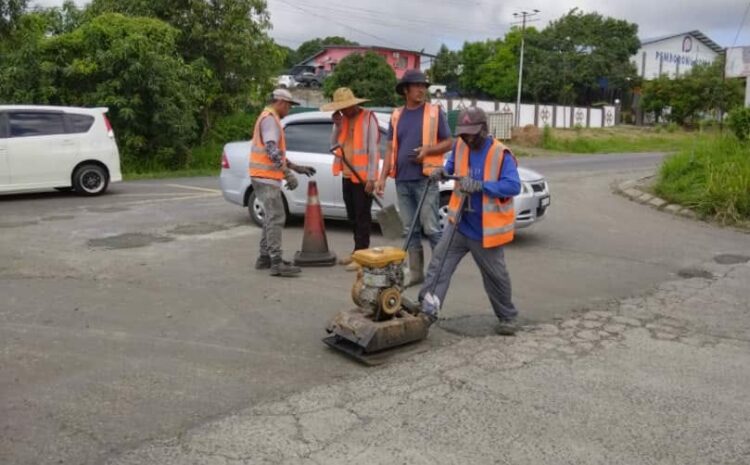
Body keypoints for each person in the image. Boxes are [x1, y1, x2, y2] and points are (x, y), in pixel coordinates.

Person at [418, 107, 522, 335]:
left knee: (495, 276)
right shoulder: (460, 146)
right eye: (463, 133)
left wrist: (483, 185)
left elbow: (514, 185)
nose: (467, 138)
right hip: (459, 223)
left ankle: (507, 316)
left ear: (484, 129)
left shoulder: (500, 153)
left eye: (471, 133)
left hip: (485, 230)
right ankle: (426, 311)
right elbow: (451, 167)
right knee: (439, 265)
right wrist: (442, 171)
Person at [375, 70, 453, 286]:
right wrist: (382, 178)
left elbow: (449, 142)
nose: (421, 90)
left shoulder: (434, 113)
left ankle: (439, 272)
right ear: (406, 90)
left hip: (426, 179)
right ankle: (417, 273)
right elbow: (390, 148)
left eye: (423, 86)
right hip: (402, 179)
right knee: (410, 230)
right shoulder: (396, 115)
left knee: (431, 227)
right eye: (417, 86)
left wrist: (427, 151)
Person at [250, 88, 316, 277]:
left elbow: (273, 152)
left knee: (271, 216)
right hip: (266, 177)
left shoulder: (268, 117)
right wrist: (288, 174)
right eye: (289, 105)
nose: (289, 109)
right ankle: (276, 262)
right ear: (281, 102)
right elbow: (271, 151)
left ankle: (265, 258)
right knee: (277, 217)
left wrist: (296, 167)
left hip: (261, 176)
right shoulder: (271, 119)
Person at [321, 88, 380, 271]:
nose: (345, 110)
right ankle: (357, 251)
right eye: (341, 107)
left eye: (346, 106)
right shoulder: (342, 120)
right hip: (347, 175)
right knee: (352, 217)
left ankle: (363, 256)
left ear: (354, 103)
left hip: (363, 178)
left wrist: (372, 178)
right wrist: (337, 126)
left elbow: (373, 150)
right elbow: (333, 145)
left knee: (363, 218)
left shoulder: (368, 118)